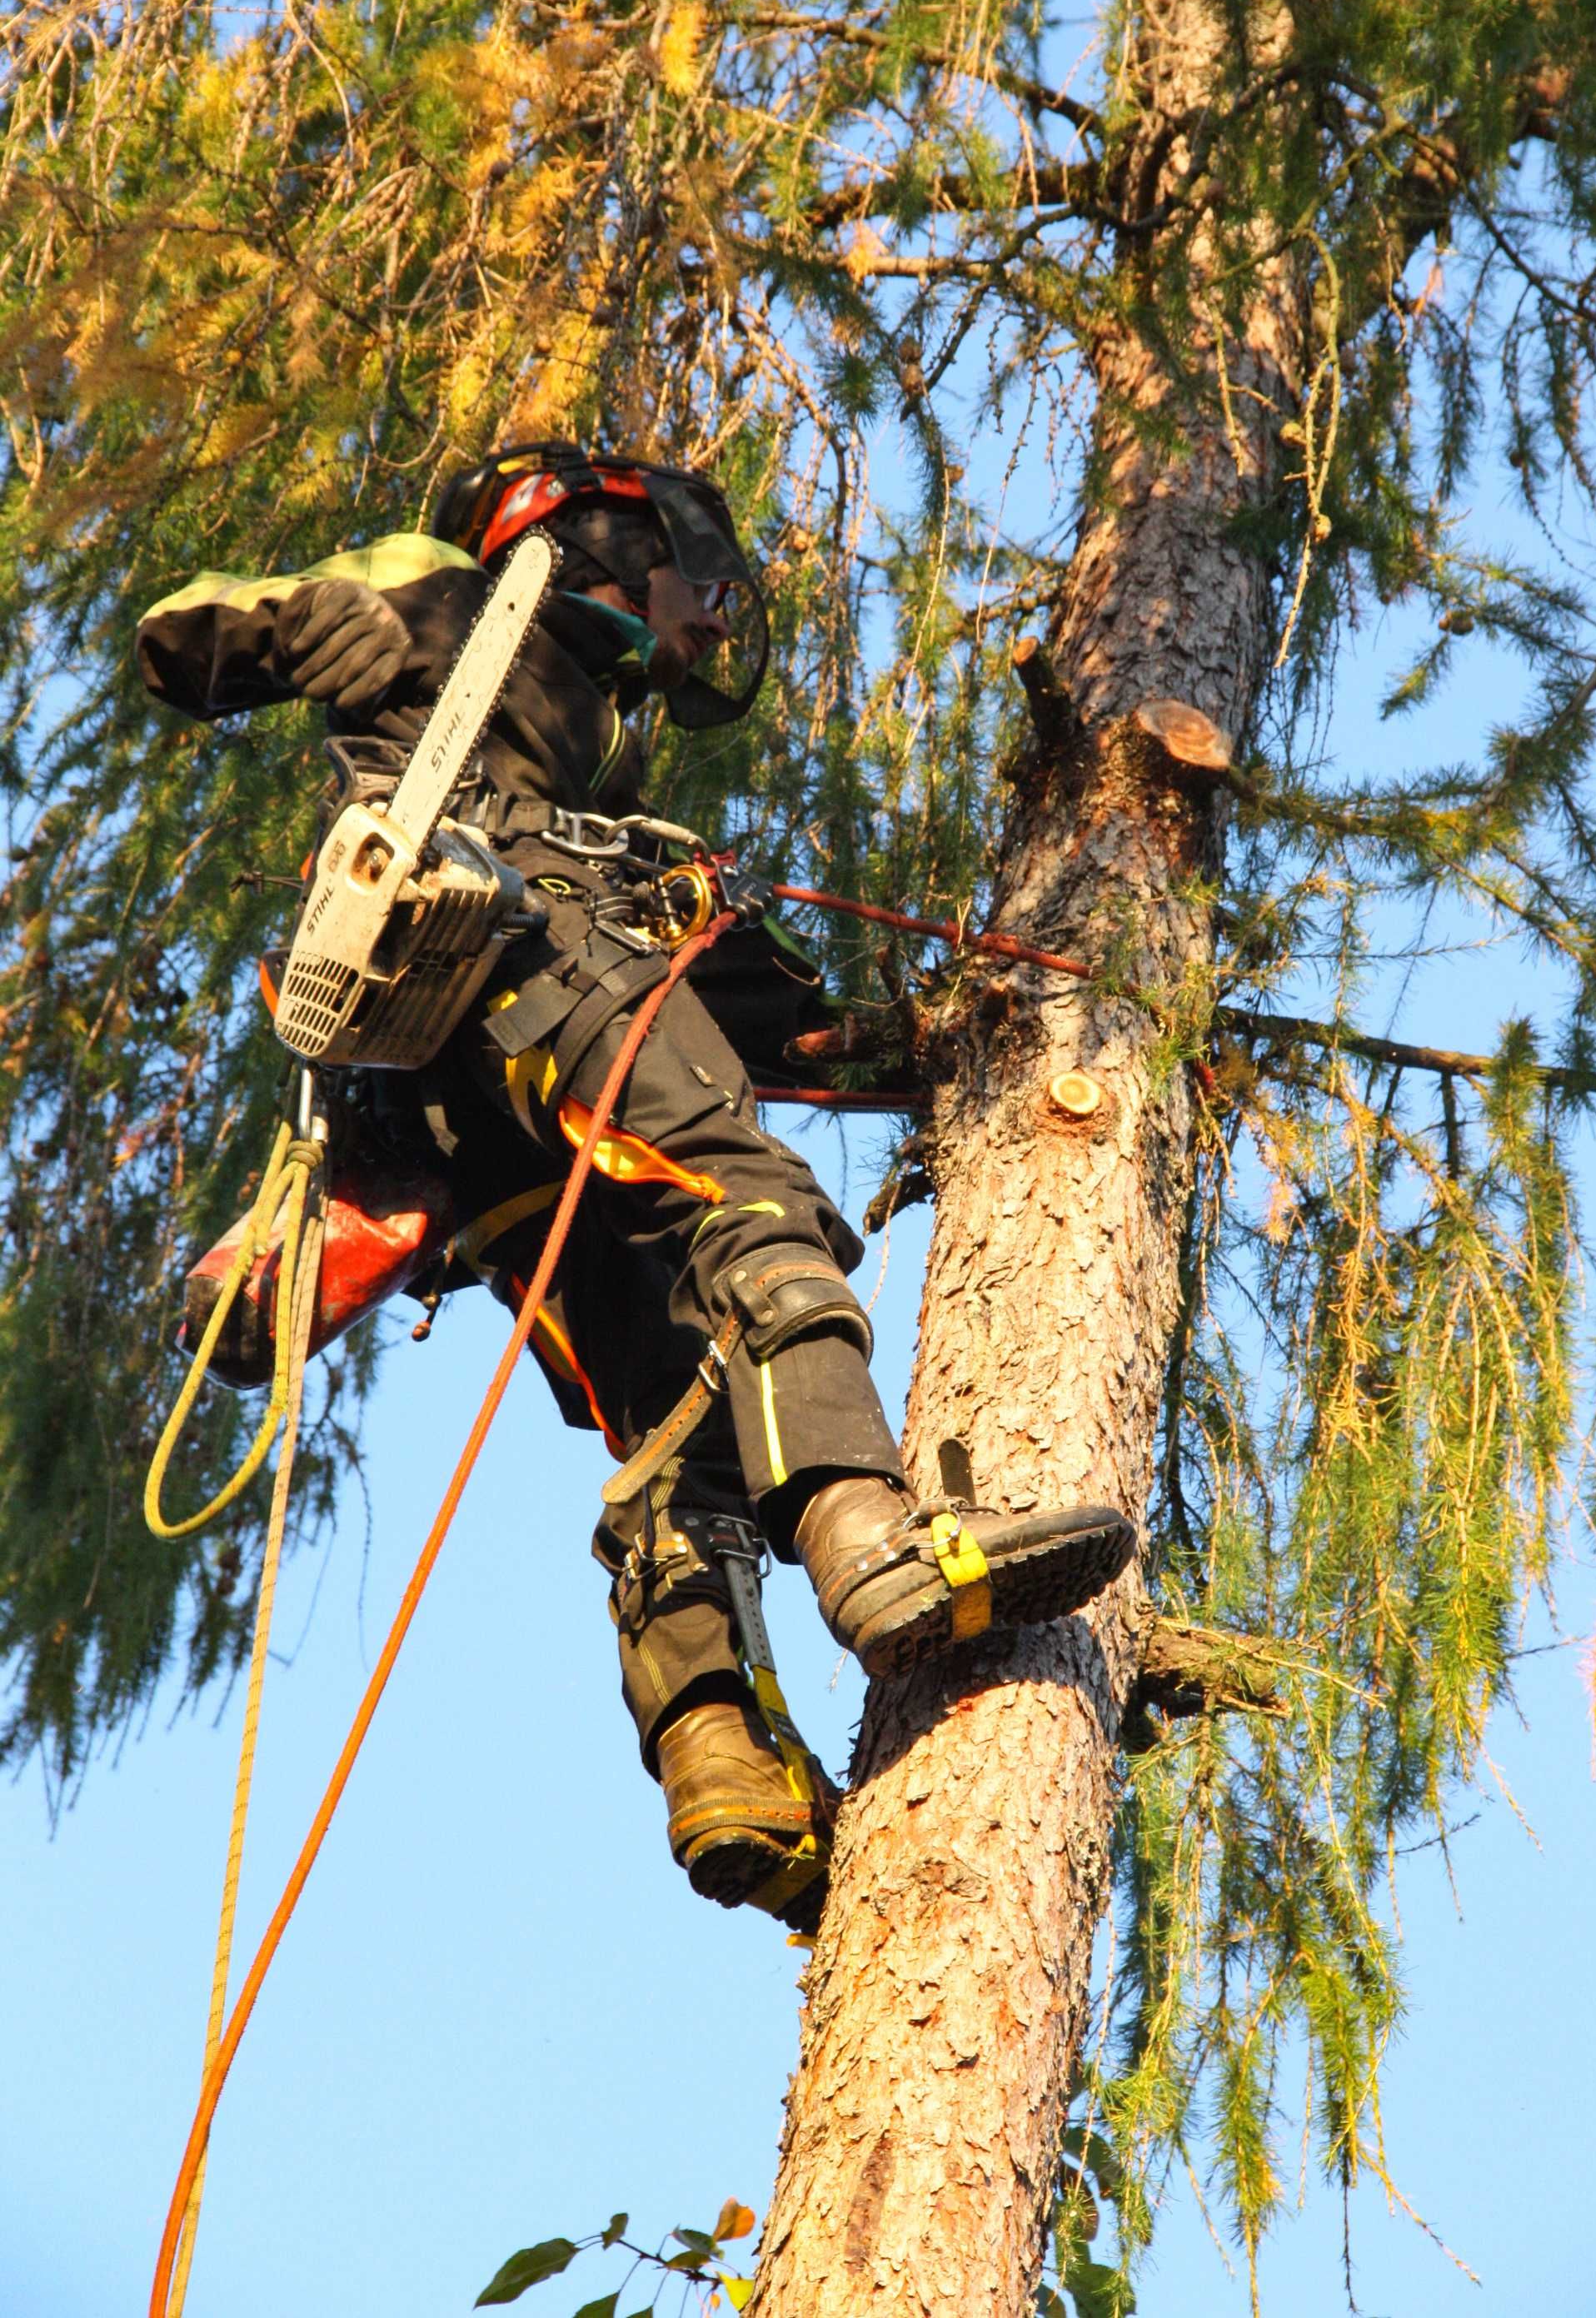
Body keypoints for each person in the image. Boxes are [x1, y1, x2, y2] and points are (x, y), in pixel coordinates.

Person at [137, 442, 1136, 1932]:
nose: (718, 618)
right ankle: (873, 1544)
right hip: (523, 967)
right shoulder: (461, 602)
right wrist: (296, 634)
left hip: (486, 1137)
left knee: (677, 1404)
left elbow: (771, 1022)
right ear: (607, 535)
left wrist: (935, 1042)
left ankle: (721, 1762)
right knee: (750, 1203)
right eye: (704, 578)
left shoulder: (603, 779)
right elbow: (186, 622)